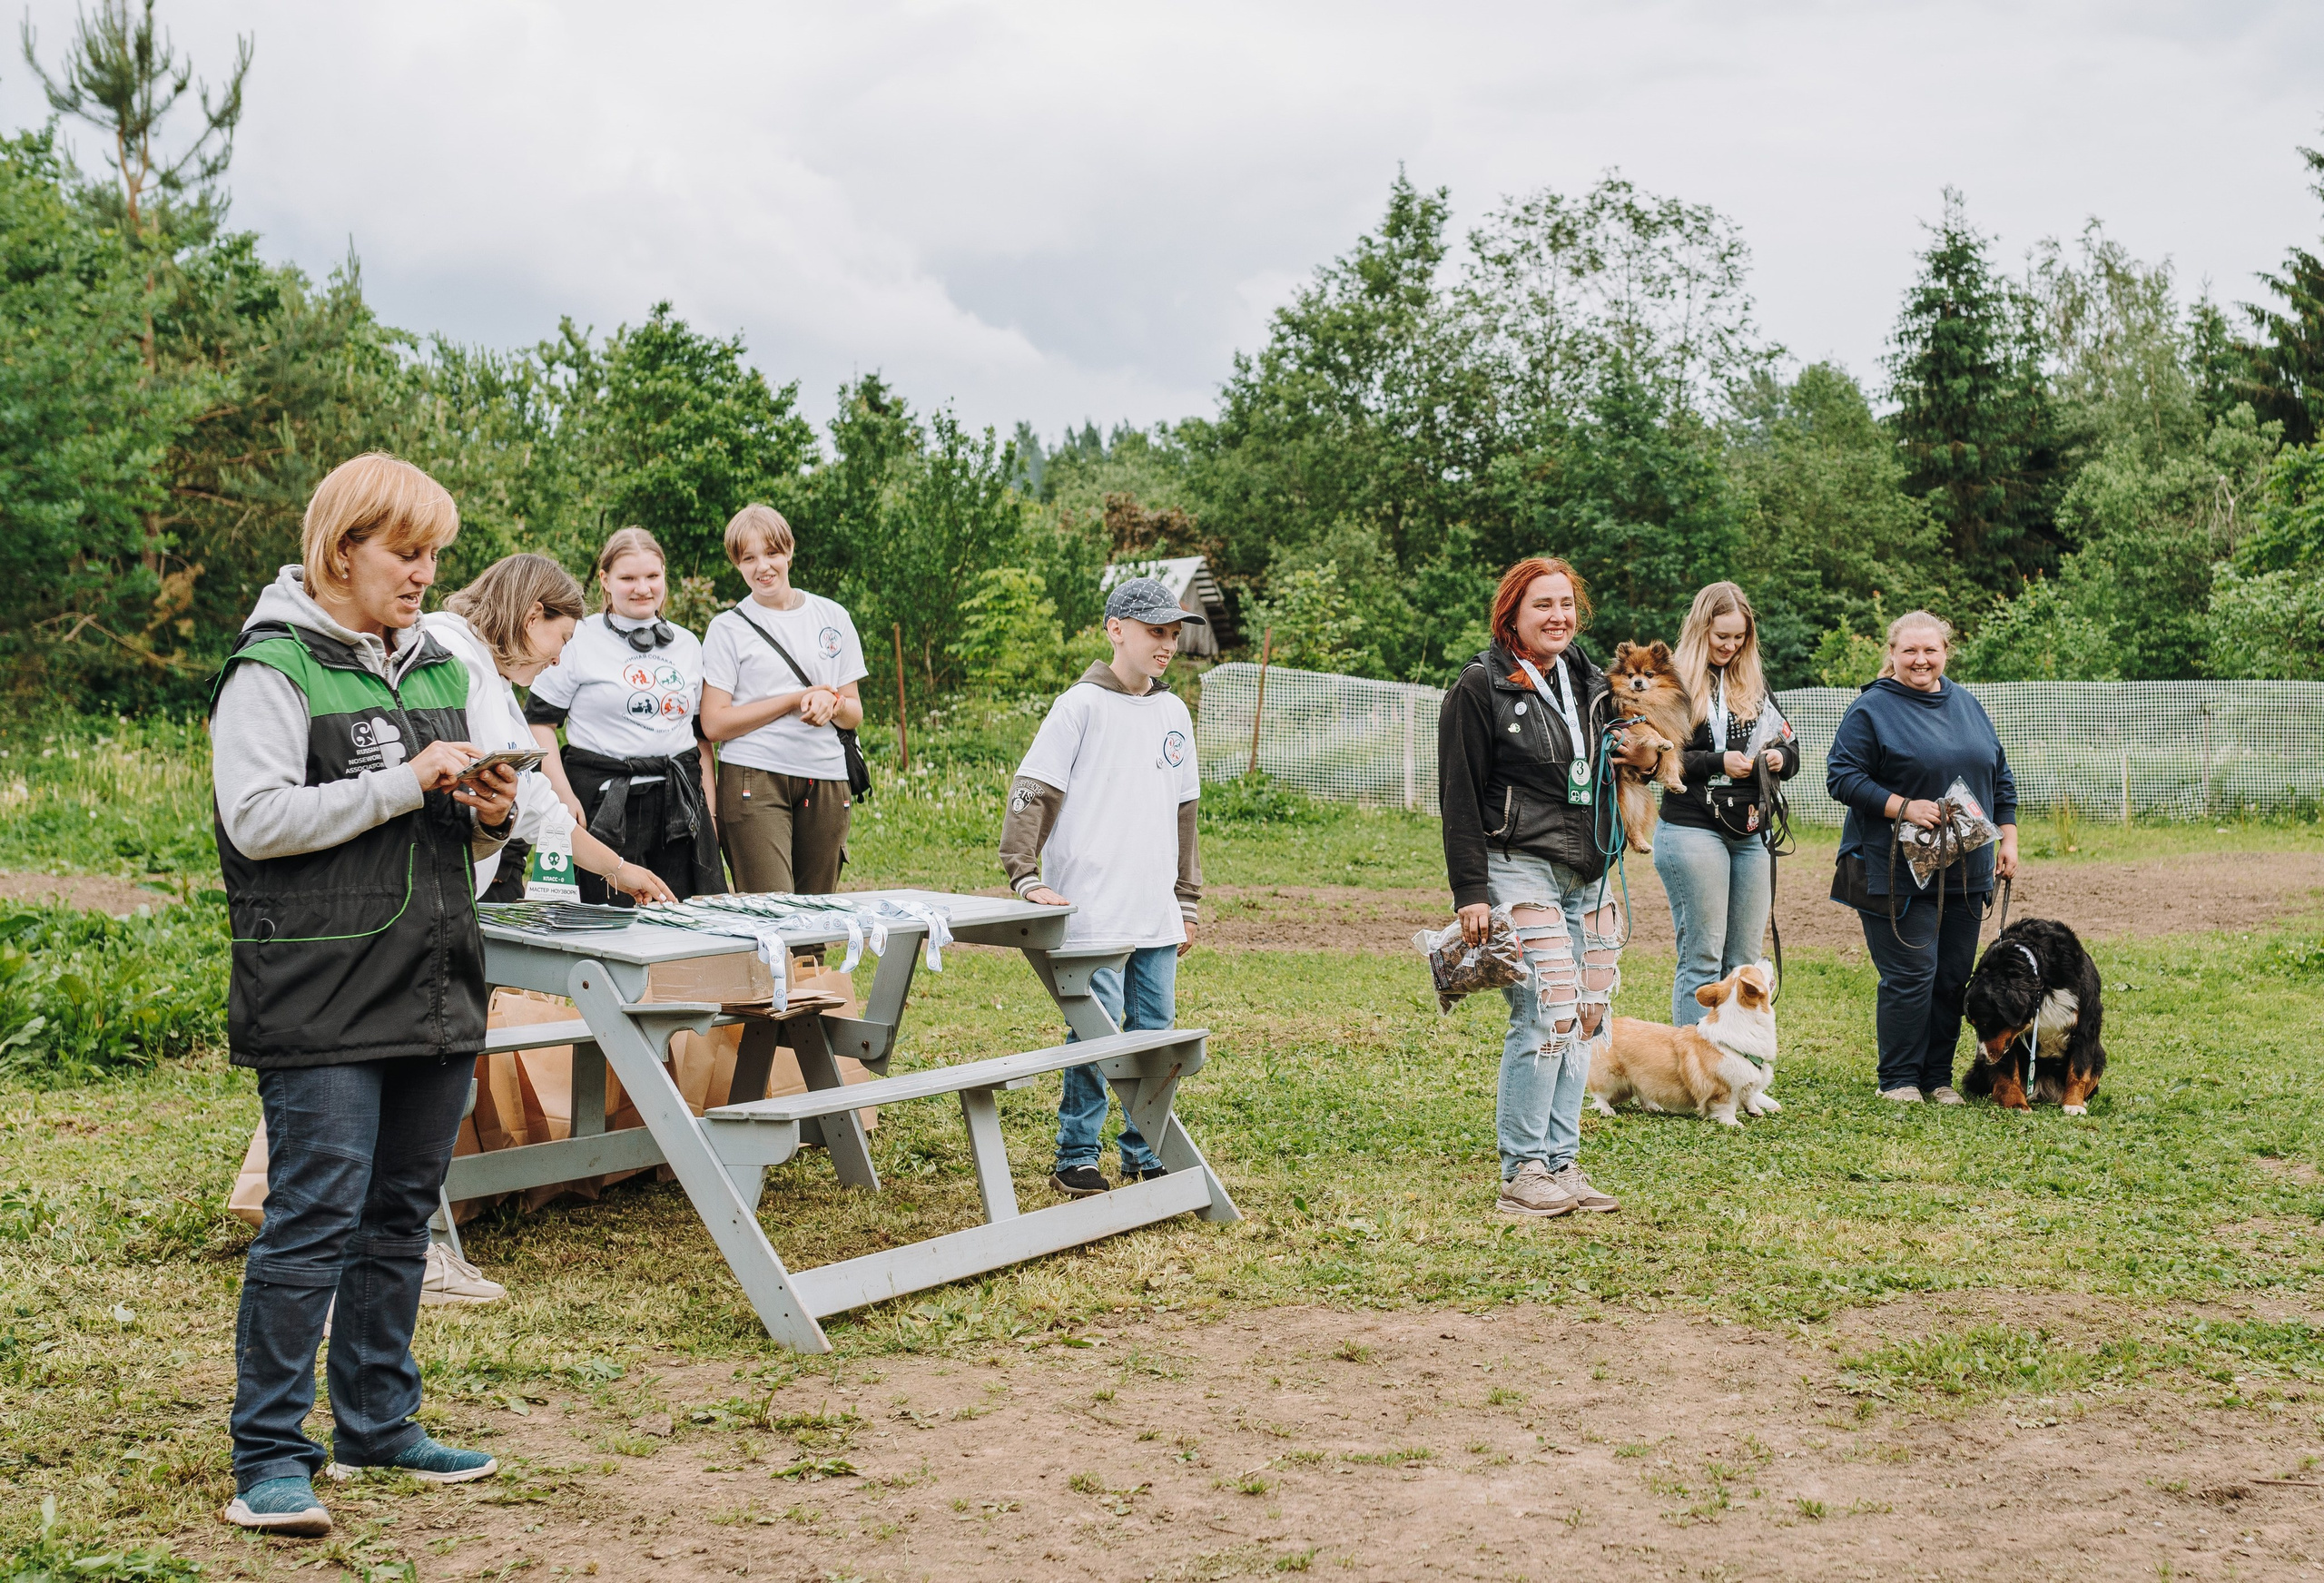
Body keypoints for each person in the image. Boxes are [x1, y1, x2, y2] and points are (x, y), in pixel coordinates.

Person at [211, 453, 516, 1537]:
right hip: (321, 990)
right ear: (343, 550)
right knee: (312, 1220)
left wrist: (488, 814)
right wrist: (405, 780)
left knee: (397, 1216)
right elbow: (257, 820)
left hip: (435, 981)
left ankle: (379, 1424)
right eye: (407, 551)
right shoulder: (271, 667)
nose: (426, 573)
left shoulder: (434, 663)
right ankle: (268, 1458)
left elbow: (454, 840)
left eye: (435, 553)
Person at [1439, 557, 1661, 1219]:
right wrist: (1471, 892)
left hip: (1589, 868)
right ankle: (1523, 1171)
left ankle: (1563, 1162)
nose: (1558, 616)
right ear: (1512, 612)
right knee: (1546, 1009)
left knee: (1587, 1012)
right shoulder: (1480, 684)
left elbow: (1627, 758)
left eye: (1566, 603)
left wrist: (1646, 760)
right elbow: (1458, 794)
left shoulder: (1593, 681)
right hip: (1518, 864)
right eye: (1542, 604)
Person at [999, 576, 1204, 1197]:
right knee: (1097, 1032)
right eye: (1154, 631)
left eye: (1174, 633)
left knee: (1156, 1035)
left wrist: (1186, 901)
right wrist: (1025, 876)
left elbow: (1185, 813)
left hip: (1154, 912)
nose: (1167, 644)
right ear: (1116, 630)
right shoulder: (1079, 706)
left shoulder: (1173, 712)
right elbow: (1031, 791)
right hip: (1093, 909)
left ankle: (1146, 1150)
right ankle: (1076, 1155)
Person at [1826, 610, 2020, 1104]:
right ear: (1892, 654)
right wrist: (1903, 806)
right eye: (1909, 650)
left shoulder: (1967, 703)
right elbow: (1842, 777)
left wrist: (2009, 838)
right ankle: (1898, 1079)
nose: (1920, 659)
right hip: (1893, 870)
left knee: (1952, 980)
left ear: (1945, 653)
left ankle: (1936, 1078)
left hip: (1967, 869)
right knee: (1912, 975)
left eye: (1930, 650)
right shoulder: (1872, 709)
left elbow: (1999, 777)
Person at [426, 555, 678, 909]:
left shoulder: (499, 680)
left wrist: (618, 870)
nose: (558, 658)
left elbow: (538, 806)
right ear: (533, 616)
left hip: (454, 895)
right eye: (563, 638)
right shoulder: (450, 657)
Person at [525, 527, 724, 904]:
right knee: (610, 920)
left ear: (664, 575)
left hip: (679, 806)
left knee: (685, 917)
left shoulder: (687, 644)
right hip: (603, 806)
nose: (642, 588)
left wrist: (709, 812)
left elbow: (700, 738)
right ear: (605, 579)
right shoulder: (576, 637)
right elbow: (539, 722)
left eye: (652, 576)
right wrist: (563, 795)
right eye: (628, 578)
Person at [700, 505, 867, 894]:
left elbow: (854, 712)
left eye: (772, 553)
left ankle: (811, 945)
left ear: (789, 550)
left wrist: (834, 705)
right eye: (749, 558)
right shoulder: (726, 629)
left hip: (826, 777)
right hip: (754, 776)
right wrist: (795, 700)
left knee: (816, 911)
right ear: (736, 564)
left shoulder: (833, 616)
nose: (763, 567)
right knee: (771, 910)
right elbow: (714, 723)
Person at [1655, 582, 1800, 1025]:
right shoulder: (1672, 681)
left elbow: (1791, 746)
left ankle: (1732, 1057)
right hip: (1692, 825)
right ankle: (1690, 1059)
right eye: (1722, 636)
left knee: (1743, 962)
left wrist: (1779, 759)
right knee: (1702, 957)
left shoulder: (1753, 682)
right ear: (1701, 630)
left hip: (1751, 830)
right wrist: (1718, 761)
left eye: (1739, 637)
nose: (1730, 646)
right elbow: (1654, 757)